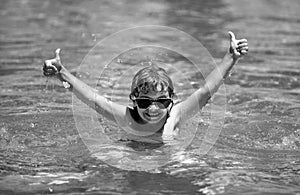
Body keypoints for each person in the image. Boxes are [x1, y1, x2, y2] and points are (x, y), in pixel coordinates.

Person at [43, 31, 248, 143]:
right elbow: (93, 99)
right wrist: (62, 72)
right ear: (133, 99)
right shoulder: (126, 118)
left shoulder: (174, 117)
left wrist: (231, 57)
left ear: (171, 100)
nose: (153, 109)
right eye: (144, 101)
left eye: (162, 102)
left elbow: (205, 92)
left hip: (170, 164)